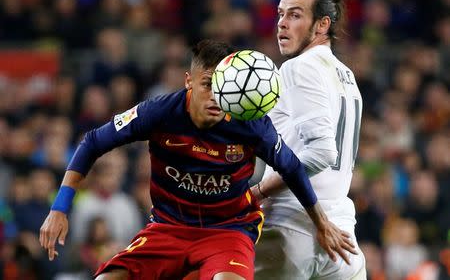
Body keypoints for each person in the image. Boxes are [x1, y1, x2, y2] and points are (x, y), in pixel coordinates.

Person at [39, 39, 355, 280]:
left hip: (228, 232)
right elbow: (93, 142)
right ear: (189, 81)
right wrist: (59, 207)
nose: (217, 96)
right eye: (207, 84)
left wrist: (322, 223)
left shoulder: (250, 123)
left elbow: (292, 167)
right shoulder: (159, 113)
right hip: (167, 229)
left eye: (223, 86)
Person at [251, 0, 367, 280]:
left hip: (293, 228)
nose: (282, 24)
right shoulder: (347, 76)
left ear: (322, 25)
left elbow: (321, 152)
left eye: (295, 15)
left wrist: (259, 190)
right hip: (343, 237)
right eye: (280, 14)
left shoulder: (298, 68)